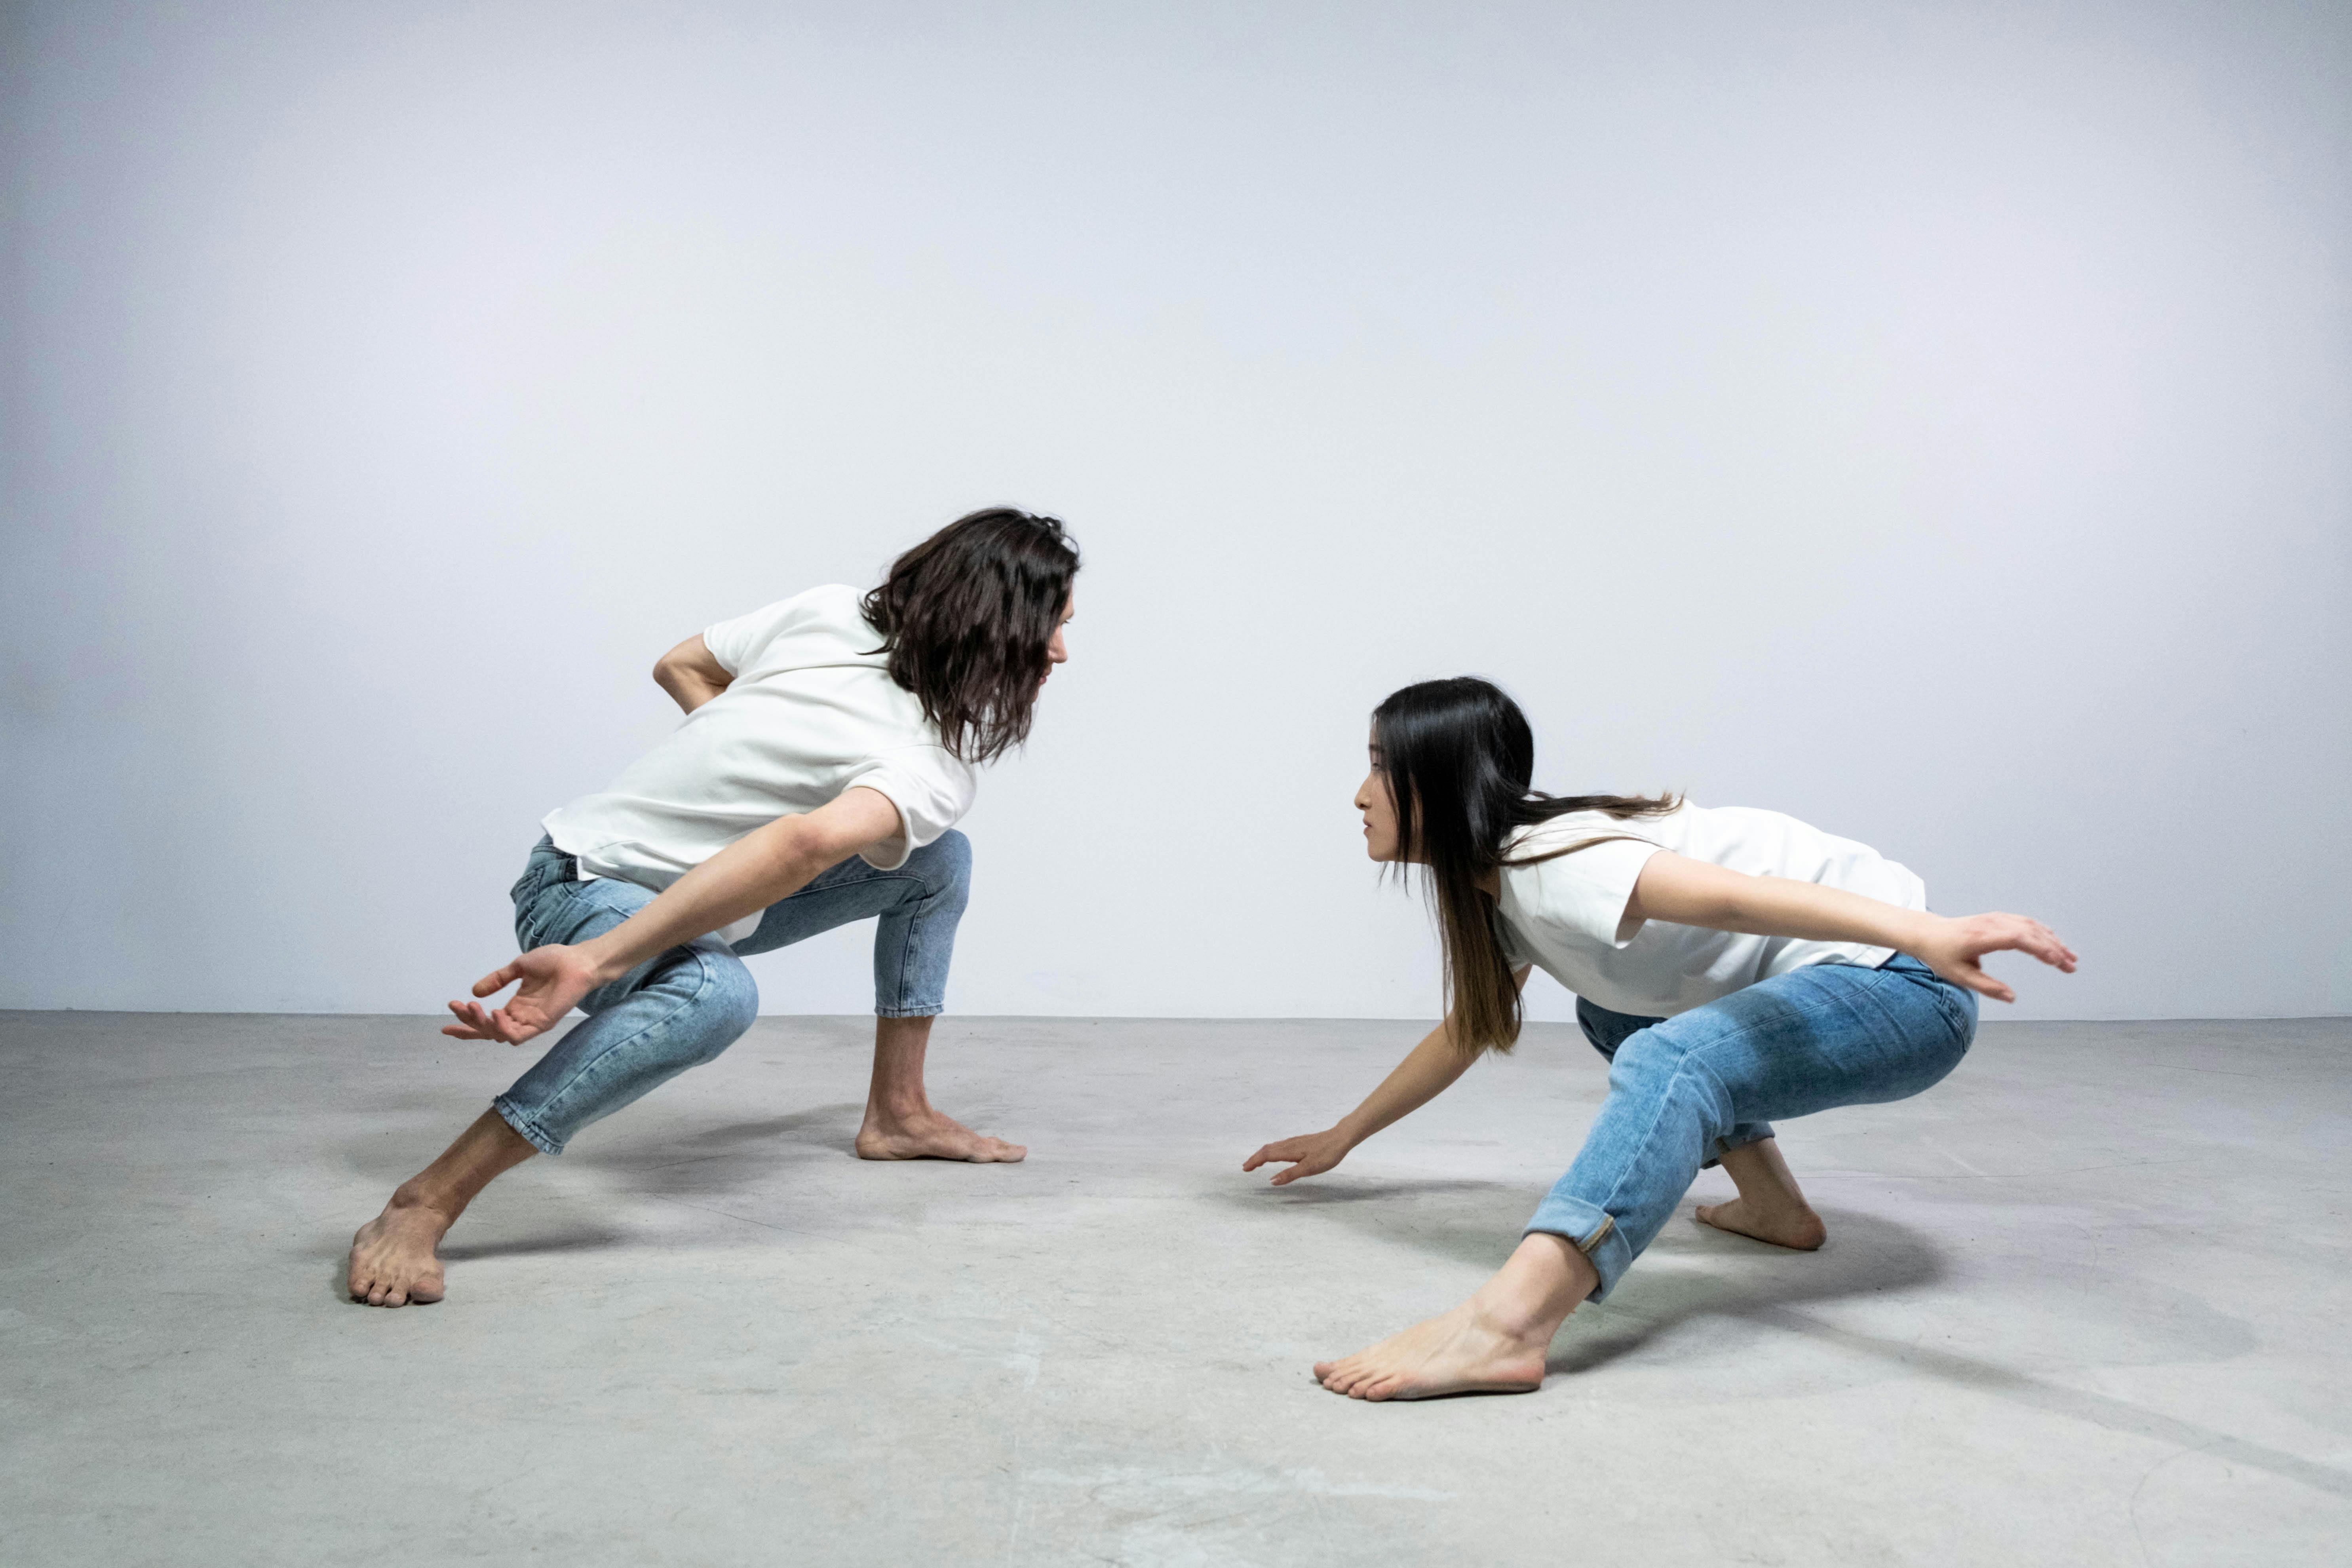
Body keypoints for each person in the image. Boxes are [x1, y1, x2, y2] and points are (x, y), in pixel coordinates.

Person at [1244, 677, 2076, 1399]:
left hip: (1905, 984)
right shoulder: (1499, 879)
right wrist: (1344, 1136)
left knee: (1667, 1053)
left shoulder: (1554, 862)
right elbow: (1469, 1030)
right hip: (1861, 971)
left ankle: (1511, 1324)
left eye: (1383, 766)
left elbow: (1737, 900)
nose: (1360, 793)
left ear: (1441, 779)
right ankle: (1775, 1209)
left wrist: (1923, 932)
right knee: (1613, 1009)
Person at [347, 507, 1080, 1308]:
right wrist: (600, 955)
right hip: (582, 880)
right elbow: (799, 845)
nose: (1061, 652)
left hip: (675, 895)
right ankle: (427, 1198)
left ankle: (898, 1113)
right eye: (1050, 626)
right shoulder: (918, 749)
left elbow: (679, 664)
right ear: (991, 621)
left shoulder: (833, 612)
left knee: (938, 860)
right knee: (716, 996)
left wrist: (748, 775)